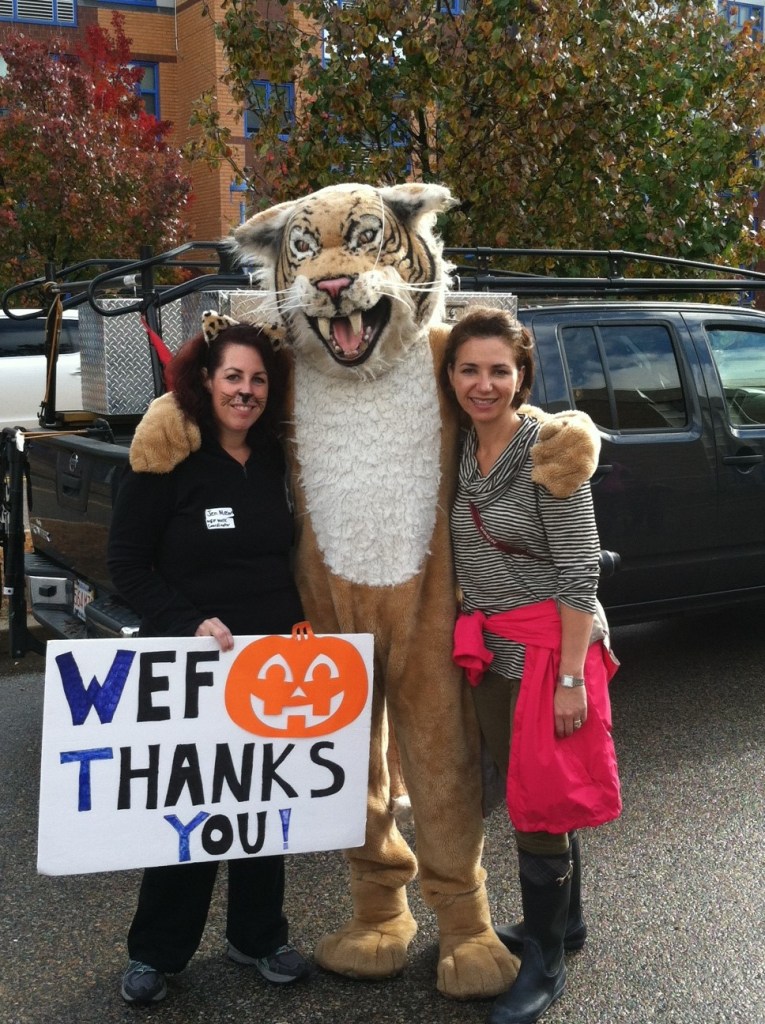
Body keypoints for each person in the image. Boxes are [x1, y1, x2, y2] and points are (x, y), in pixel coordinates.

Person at [107, 313, 311, 1005]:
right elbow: (126, 566)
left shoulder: (279, 460)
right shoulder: (169, 462)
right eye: (233, 377)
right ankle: (156, 953)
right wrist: (186, 621)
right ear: (205, 380)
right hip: (194, 668)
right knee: (189, 813)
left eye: (257, 380)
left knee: (261, 807)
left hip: (273, 666)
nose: (245, 391)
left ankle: (257, 936)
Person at [439, 307, 621, 1024]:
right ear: (451, 375)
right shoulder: (458, 446)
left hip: (550, 649)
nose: (483, 384)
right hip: (492, 649)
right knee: (532, 790)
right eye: (468, 369)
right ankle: (564, 925)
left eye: (498, 371)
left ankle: (541, 963)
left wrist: (572, 677)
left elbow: (580, 572)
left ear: (521, 377)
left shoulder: (550, 449)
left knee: (540, 805)